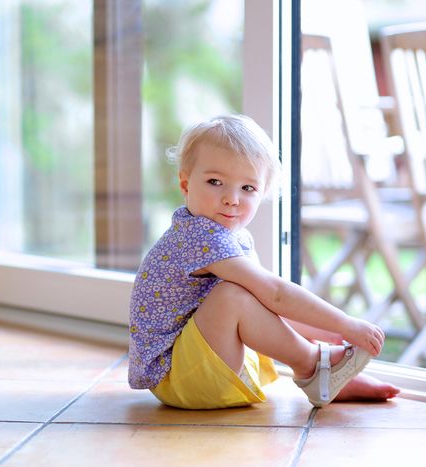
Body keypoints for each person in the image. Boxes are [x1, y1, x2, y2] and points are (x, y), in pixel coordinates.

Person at [128, 114, 400, 409]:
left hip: (199, 364)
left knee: (246, 294)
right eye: (215, 182)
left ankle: (327, 373)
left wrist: (329, 334)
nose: (231, 198)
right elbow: (276, 293)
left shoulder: (232, 236)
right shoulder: (199, 236)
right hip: (179, 376)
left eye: (247, 188)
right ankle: (313, 366)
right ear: (185, 184)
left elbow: (268, 303)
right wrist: (345, 324)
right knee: (233, 296)